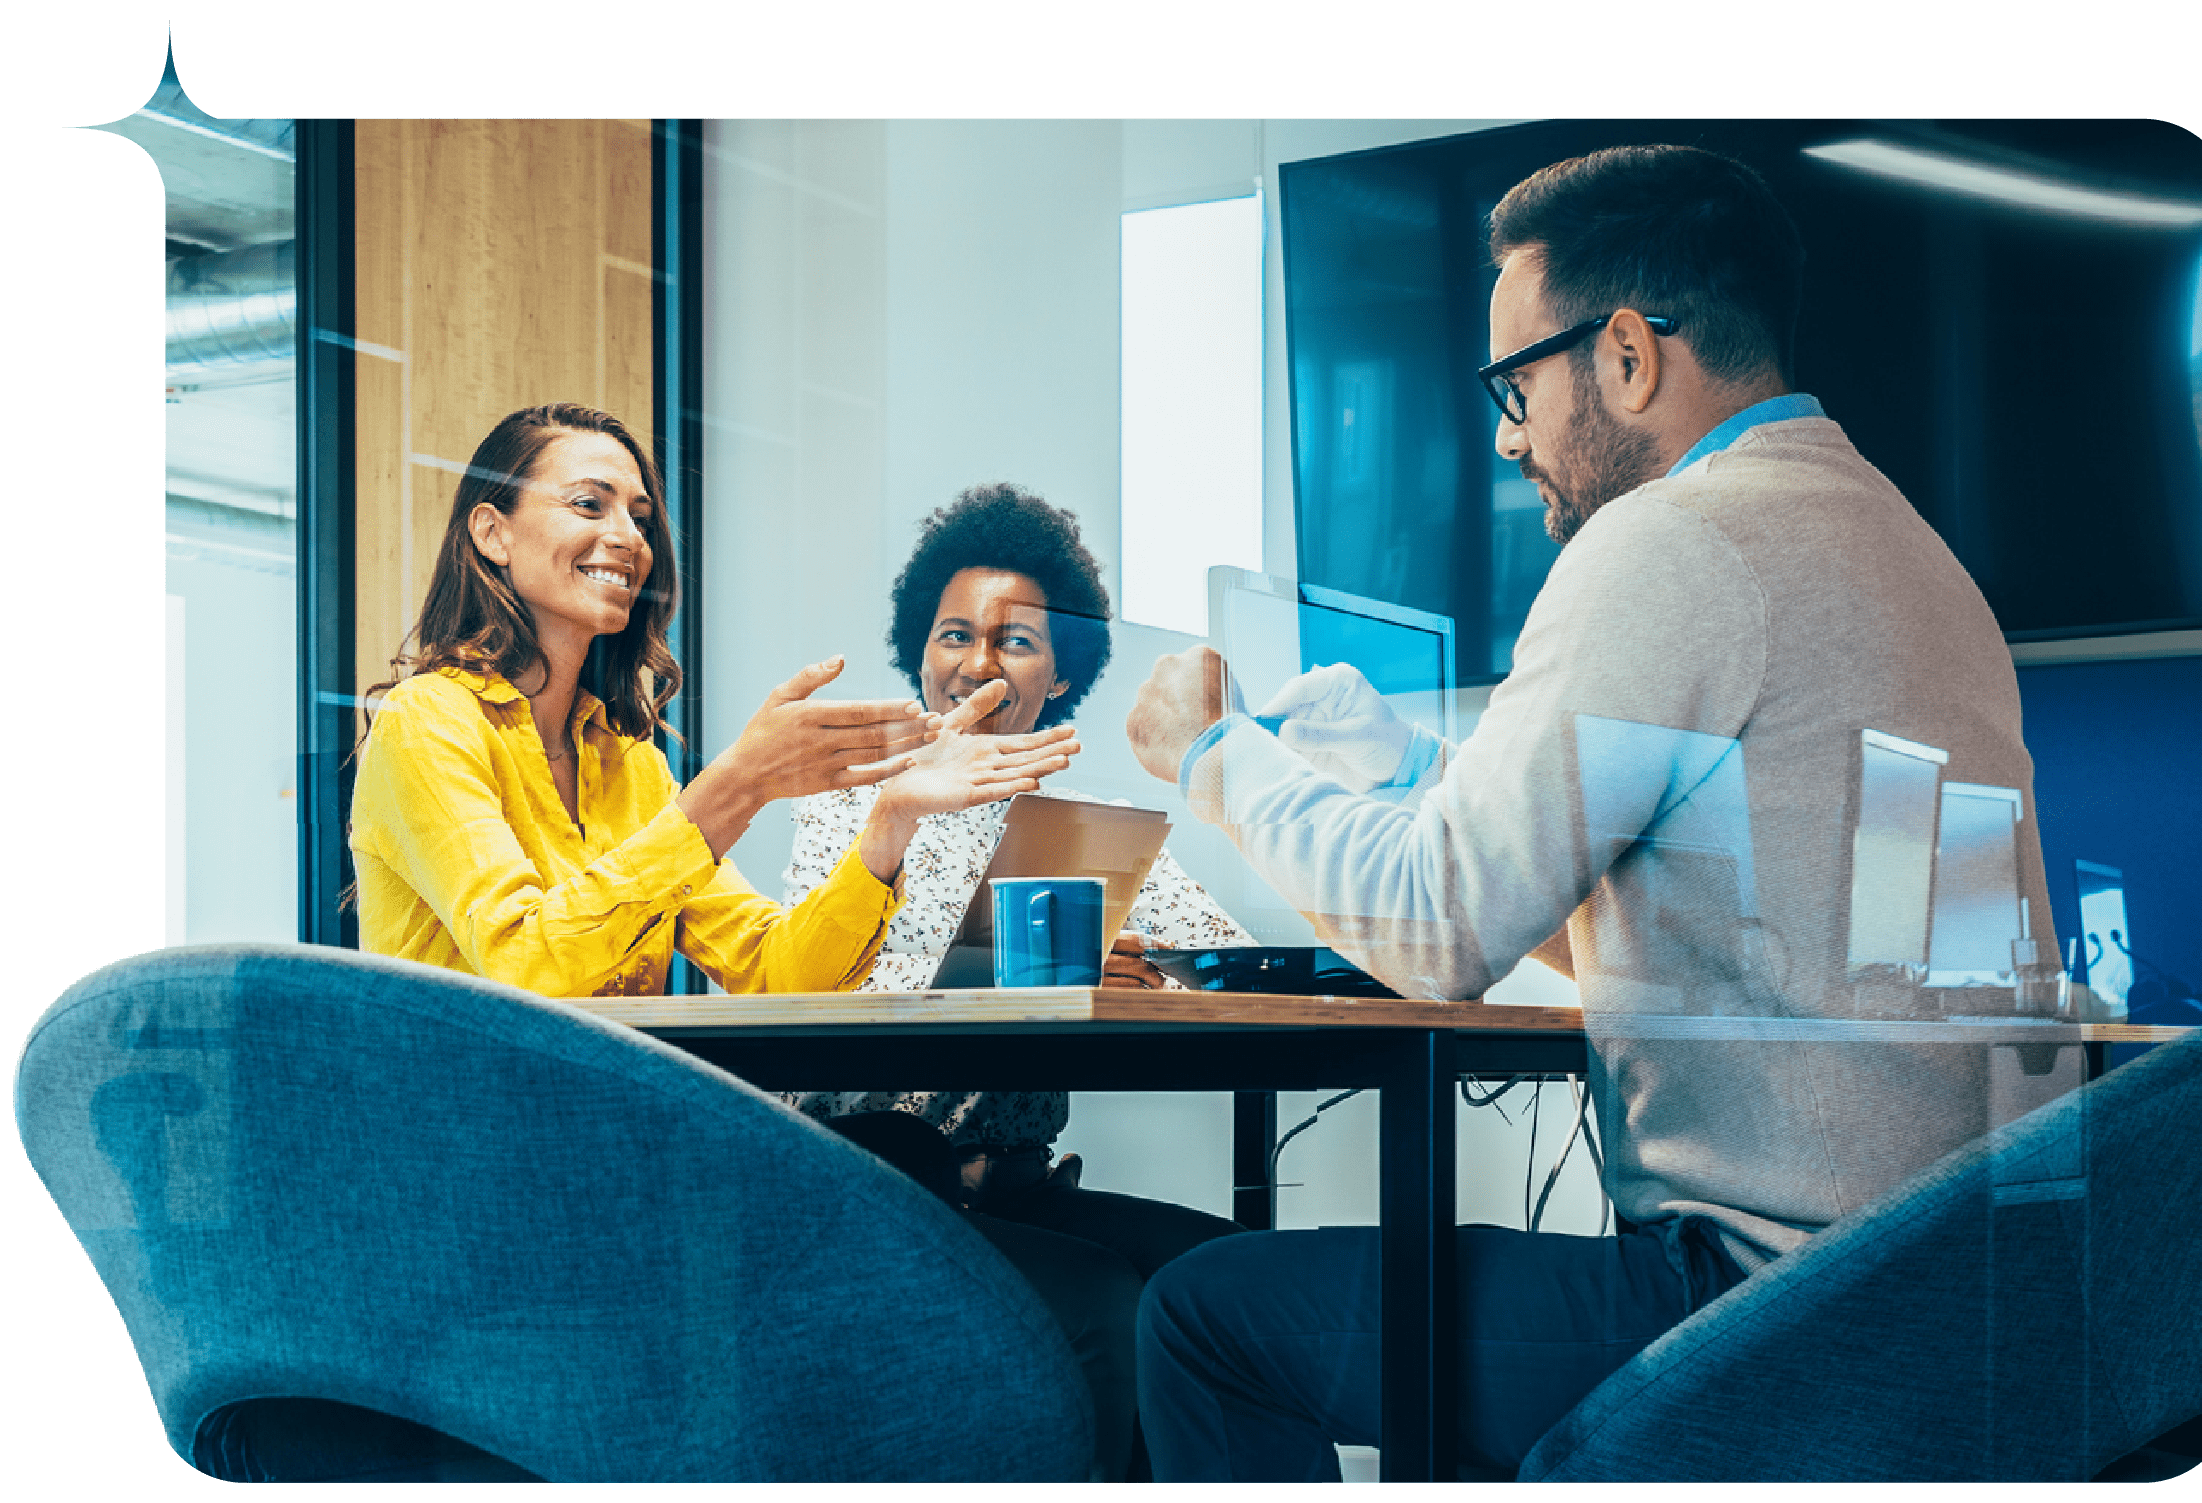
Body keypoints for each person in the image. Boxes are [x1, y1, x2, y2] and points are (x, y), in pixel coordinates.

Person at [1122, 145, 2077, 1480]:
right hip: (1959, 1307)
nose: (1507, 436)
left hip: (1769, 1310)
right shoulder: (1910, 556)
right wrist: (1405, 779)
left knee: (1204, 1317)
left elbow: (1443, 924)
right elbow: (1764, 939)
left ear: (1624, 353)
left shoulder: (1671, 540)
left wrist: (1211, 751)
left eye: (1514, 385)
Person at [778, 482, 1254, 1479]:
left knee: (1227, 1277)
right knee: (1104, 1301)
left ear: (1061, 677)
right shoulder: (856, 803)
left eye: (1015, 641)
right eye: (953, 634)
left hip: (1019, 1194)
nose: (976, 663)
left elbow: (1221, 963)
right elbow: (818, 987)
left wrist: (1143, 979)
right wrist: (1027, 966)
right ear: (920, 651)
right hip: (867, 1184)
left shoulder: (1083, 828)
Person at [351, 402, 1077, 998]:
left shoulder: (628, 765)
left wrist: (893, 818)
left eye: (638, 515)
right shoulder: (427, 721)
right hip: (467, 1153)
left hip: (611, 1138)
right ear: (492, 532)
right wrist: (739, 782)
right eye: (587, 504)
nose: (627, 537)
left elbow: (775, 974)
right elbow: (526, 962)